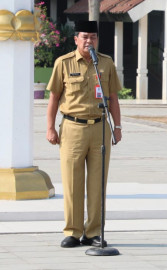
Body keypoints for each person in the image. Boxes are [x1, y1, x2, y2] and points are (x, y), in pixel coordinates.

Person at [46, 21, 123, 248]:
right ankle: (73, 230)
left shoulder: (106, 63)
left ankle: (93, 232)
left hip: (100, 127)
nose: (89, 41)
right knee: (72, 182)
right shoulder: (63, 63)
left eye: (93, 37)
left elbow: (113, 98)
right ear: (76, 39)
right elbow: (53, 98)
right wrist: (50, 127)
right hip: (72, 128)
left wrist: (117, 127)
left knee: (98, 183)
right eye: (85, 37)